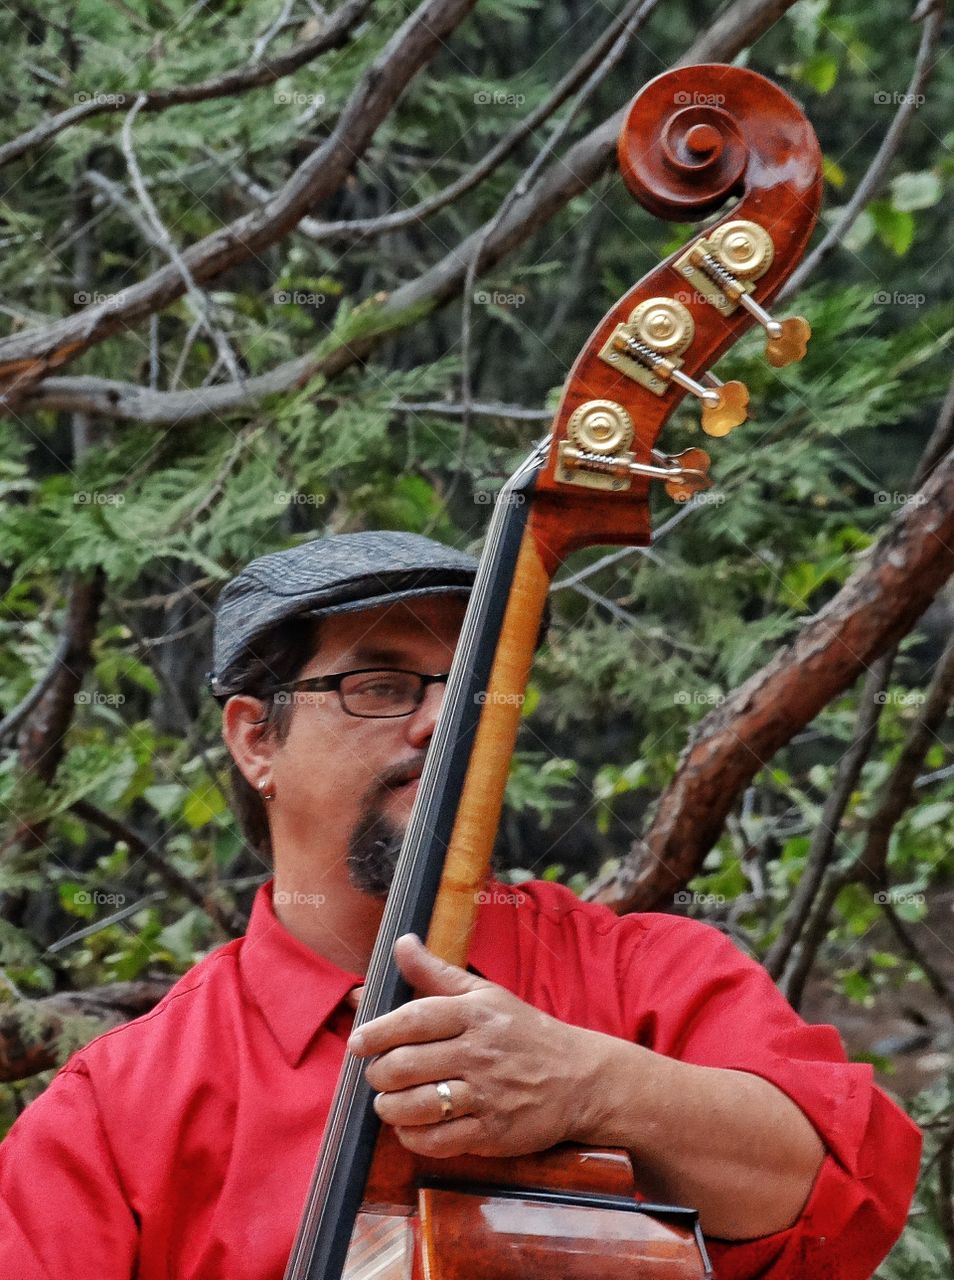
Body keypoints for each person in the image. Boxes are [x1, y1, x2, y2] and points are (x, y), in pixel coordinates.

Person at [0, 530, 921, 1279]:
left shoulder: (650, 975)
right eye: (382, 685)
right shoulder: (118, 1111)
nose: (445, 722)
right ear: (255, 741)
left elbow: (845, 1191)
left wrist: (594, 1086)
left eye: (472, 688)